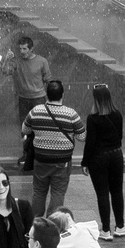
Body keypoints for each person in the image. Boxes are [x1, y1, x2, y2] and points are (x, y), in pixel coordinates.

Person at [22, 81, 84, 220]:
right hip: (62, 162)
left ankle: (36, 222)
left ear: (46, 94)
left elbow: (25, 130)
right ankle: (53, 223)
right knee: (58, 193)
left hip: (40, 160)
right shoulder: (71, 114)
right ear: (62, 94)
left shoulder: (36, 111)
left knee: (39, 192)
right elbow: (82, 136)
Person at [81, 86, 124, 240]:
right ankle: (120, 226)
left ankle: (105, 230)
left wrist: (84, 162)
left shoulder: (92, 118)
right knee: (117, 192)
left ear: (96, 100)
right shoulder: (118, 115)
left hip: (98, 158)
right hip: (116, 155)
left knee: (102, 194)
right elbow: (120, 136)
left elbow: (90, 143)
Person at [0, 37, 53, 147]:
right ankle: (26, 152)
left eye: (24, 49)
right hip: (23, 98)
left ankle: (40, 150)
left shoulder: (42, 61)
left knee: (39, 126)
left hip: (39, 98)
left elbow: (49, 80)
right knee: (24, 127)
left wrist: (51, 100)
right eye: (20, 49)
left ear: (31, 48)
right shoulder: (17, 61)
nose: (22, 51)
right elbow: (5, 71)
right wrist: (6, 59)